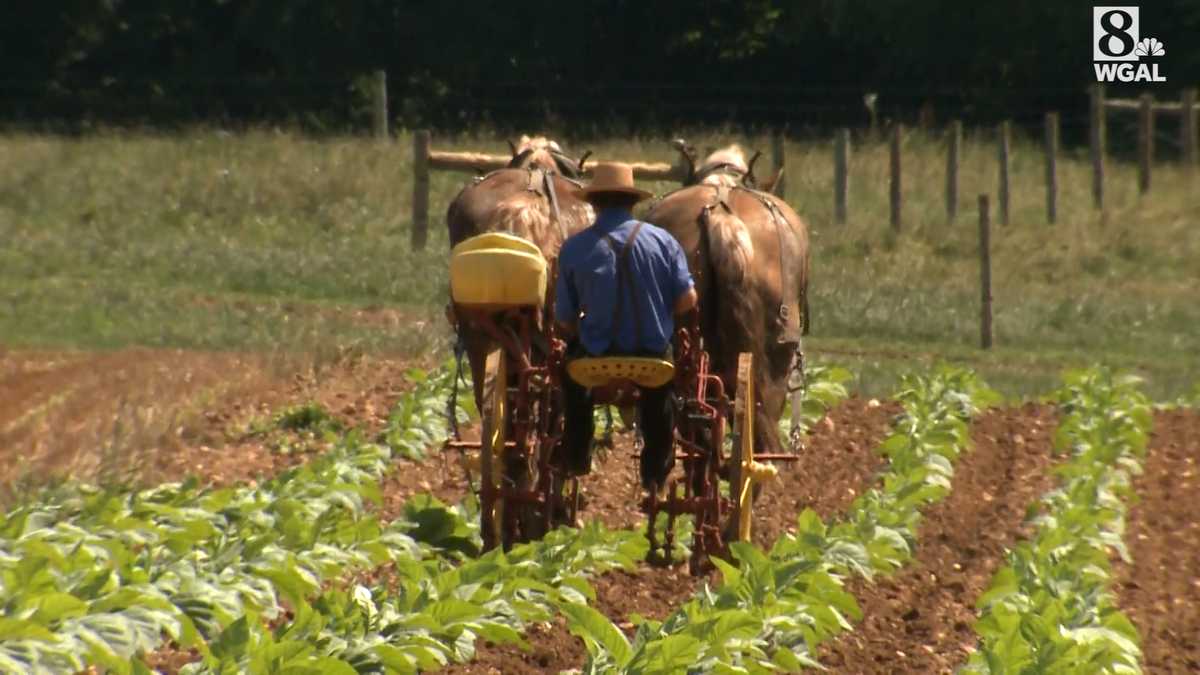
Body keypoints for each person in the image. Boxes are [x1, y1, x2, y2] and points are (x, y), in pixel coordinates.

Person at [555, 162, 698, 492]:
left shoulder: (574, 248)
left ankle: (577, 454)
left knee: (571, 381)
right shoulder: (663, 242)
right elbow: (688, 299)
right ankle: (655, 472)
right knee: (660, 391)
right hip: (652, 358)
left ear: (594, 203)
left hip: (593, 359)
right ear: (632, 203)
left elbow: (563, 318)